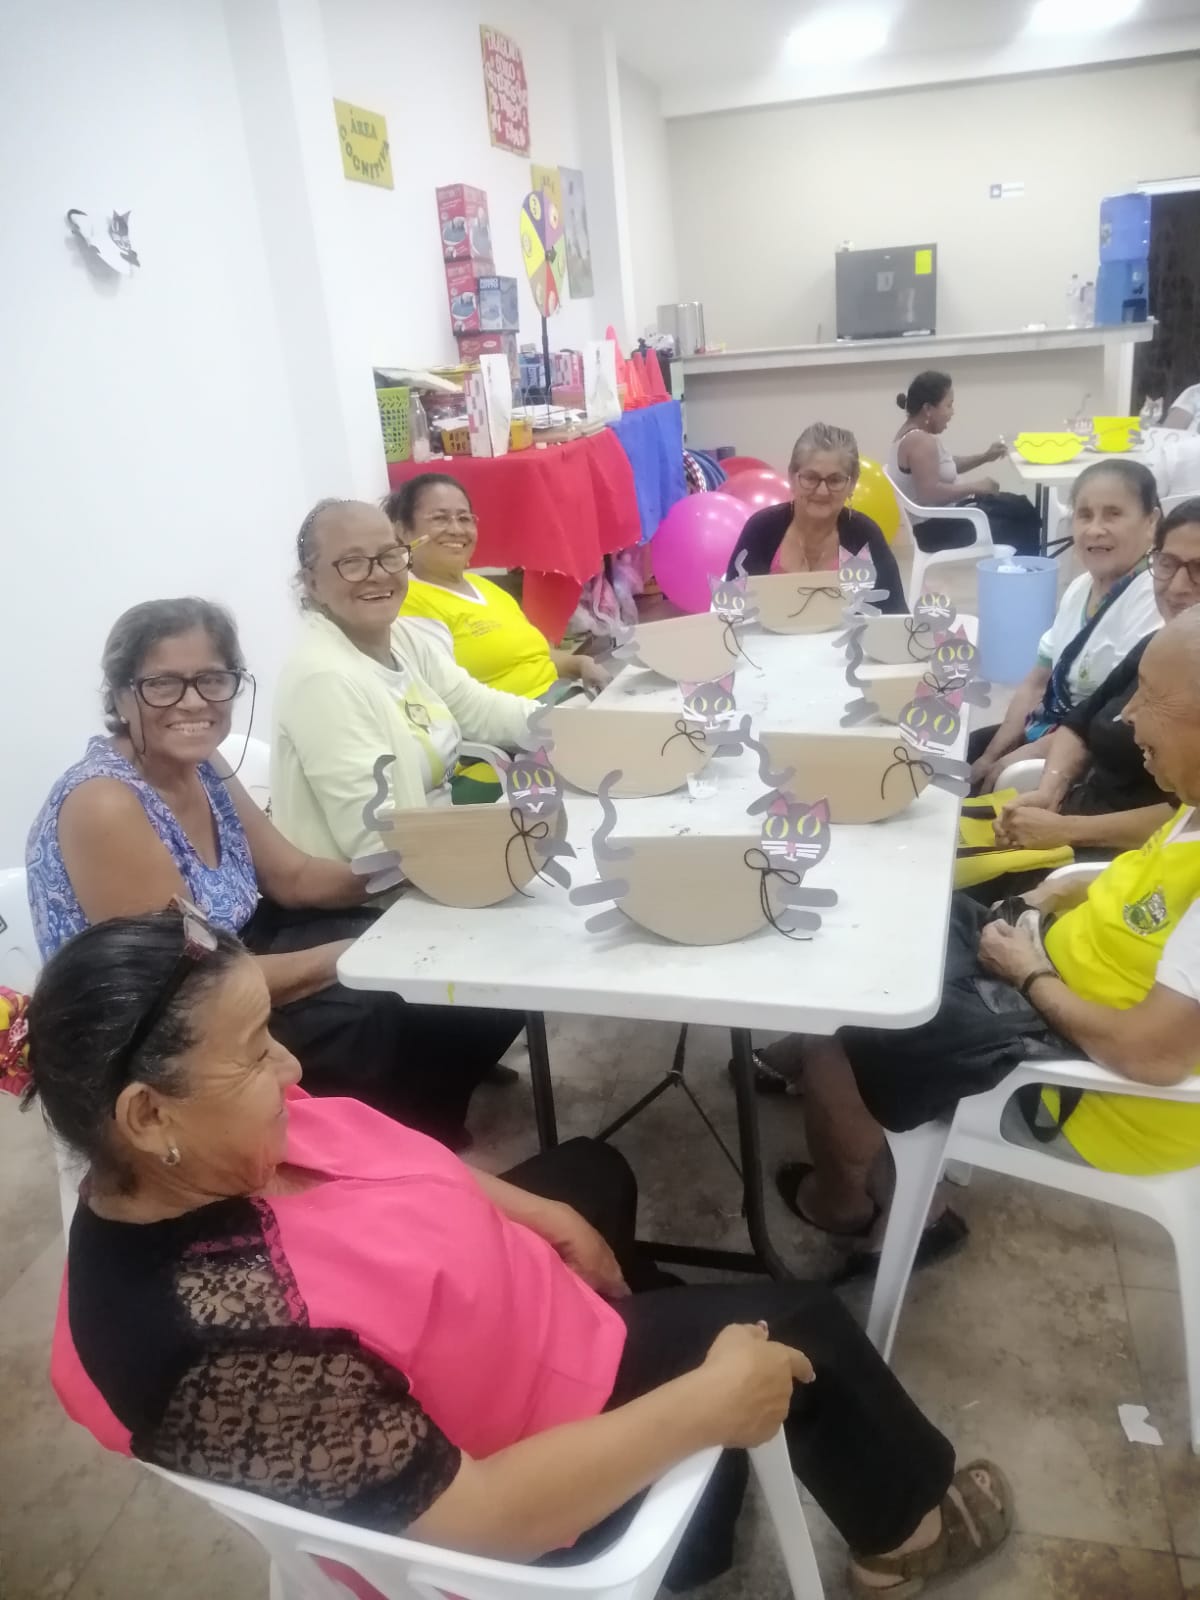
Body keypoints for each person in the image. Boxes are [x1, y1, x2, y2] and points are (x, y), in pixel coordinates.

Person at [32, 906, 1012, 1595]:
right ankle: (907, 1536)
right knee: (801, 1328)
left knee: (594, 1173)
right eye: (255, 1051)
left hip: (478, 1345)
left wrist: (542, 1216)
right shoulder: (224, 1353)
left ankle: (690, 1431)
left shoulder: (191, 1153)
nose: (289, 1066)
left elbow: (387, 1158)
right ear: (147, 1113)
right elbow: (489, 1518)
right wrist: (704, 1405)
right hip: (517, 1489)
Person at [772, 610, 1200, 1270]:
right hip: (1051, 971)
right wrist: (1063, 893)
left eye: (1152, 699)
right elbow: (1154, 895)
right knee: (888, 918)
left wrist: (1029, 974)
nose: (1129, 716)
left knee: (845, 1020)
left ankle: (854, 1206)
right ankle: (852, 1109)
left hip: (1090, 1088)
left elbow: (1150, 1055)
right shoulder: (1191, 803)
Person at [26, 598, 518, 1146]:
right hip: (154, 1026)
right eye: (162, 684)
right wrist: (359, 955)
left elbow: (295, 876)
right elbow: (182, 986)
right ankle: (385, 1147)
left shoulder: (201, 765)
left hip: (226, 956)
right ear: (120, 695)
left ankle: (421, 1125)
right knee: (379, 1002)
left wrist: (419, 862)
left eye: (212, 679)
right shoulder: (105, 804)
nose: (194, 701)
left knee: (463, 950)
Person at [273, 498, 542, 852]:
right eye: (352, 563)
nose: (378, 574)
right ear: (313, 583)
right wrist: (490, 848)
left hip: (440, 846)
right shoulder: (323, 679)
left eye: (390, 555)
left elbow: (481, 709)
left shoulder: (405, 637)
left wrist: (572, 729)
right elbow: (377, 839)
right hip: (387, 880)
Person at [988, 499, 1200, 890]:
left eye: (1199, 569)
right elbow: (1079, 723)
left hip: (1117, 865)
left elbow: (1187, 820)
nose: (1177, 586)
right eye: (1168, 563)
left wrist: (1065, 830)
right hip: (1069, 819)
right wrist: (1049, 792)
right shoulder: (1157, 646)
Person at [968, 459, 1163, 790]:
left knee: (997, 785)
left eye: (1113, 514)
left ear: (1151, 522)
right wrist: (991, 756)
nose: (1094, 529)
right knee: (964, 758)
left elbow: (1110, 720)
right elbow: (1036, 682)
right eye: (1084, 515)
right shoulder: (1079, 588)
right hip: (1050, 725)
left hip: (1100, 752)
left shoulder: (1154, 597)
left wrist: (1023, 757)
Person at [387, 474, 610, 698]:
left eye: (464, 518)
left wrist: (580, 664)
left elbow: (534, 656)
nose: (456, 529)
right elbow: (443, 697)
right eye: (440, 518)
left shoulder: (485, 587)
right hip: (521, 714)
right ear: (403, 531)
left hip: (563, 697)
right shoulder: (406, 603)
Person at [726, 422, 906, 612]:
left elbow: (895, 614)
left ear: (852, 484)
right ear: (792, 477)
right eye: (811, 478)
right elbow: (731, 610)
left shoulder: (865, 535)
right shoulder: (761, 529)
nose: (822, 491)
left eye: (835, 480)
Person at [889, 371, 1041, 557]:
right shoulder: (919, 441)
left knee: (1019, 506)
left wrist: (985, 457)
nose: (952, 412)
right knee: (1023, 517)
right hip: (938, 531)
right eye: (948, 405)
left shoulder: (912, 435)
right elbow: (929, 494)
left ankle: (1024, 569)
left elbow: (944, 466)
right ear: (928, 408)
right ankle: (1028, 571)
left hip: (944, 522)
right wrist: (976, 487)